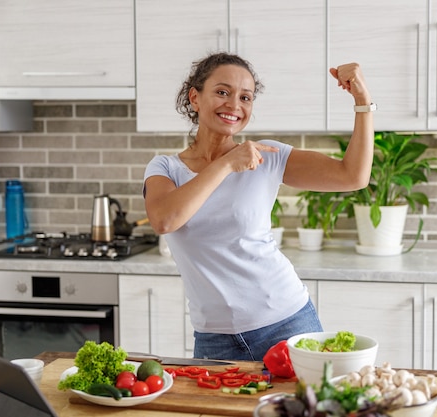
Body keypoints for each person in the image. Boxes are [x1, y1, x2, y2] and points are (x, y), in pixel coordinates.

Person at [143, 52, 374, 361]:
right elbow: (164, 220)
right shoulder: (165, 167)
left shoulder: (267, 156)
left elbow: (353, 175)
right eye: (222, 92)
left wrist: (362, 101)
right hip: (214, 338)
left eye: (246, 97)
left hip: (287, 322)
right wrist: (225, 164)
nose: (234, 105)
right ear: (195, 98)